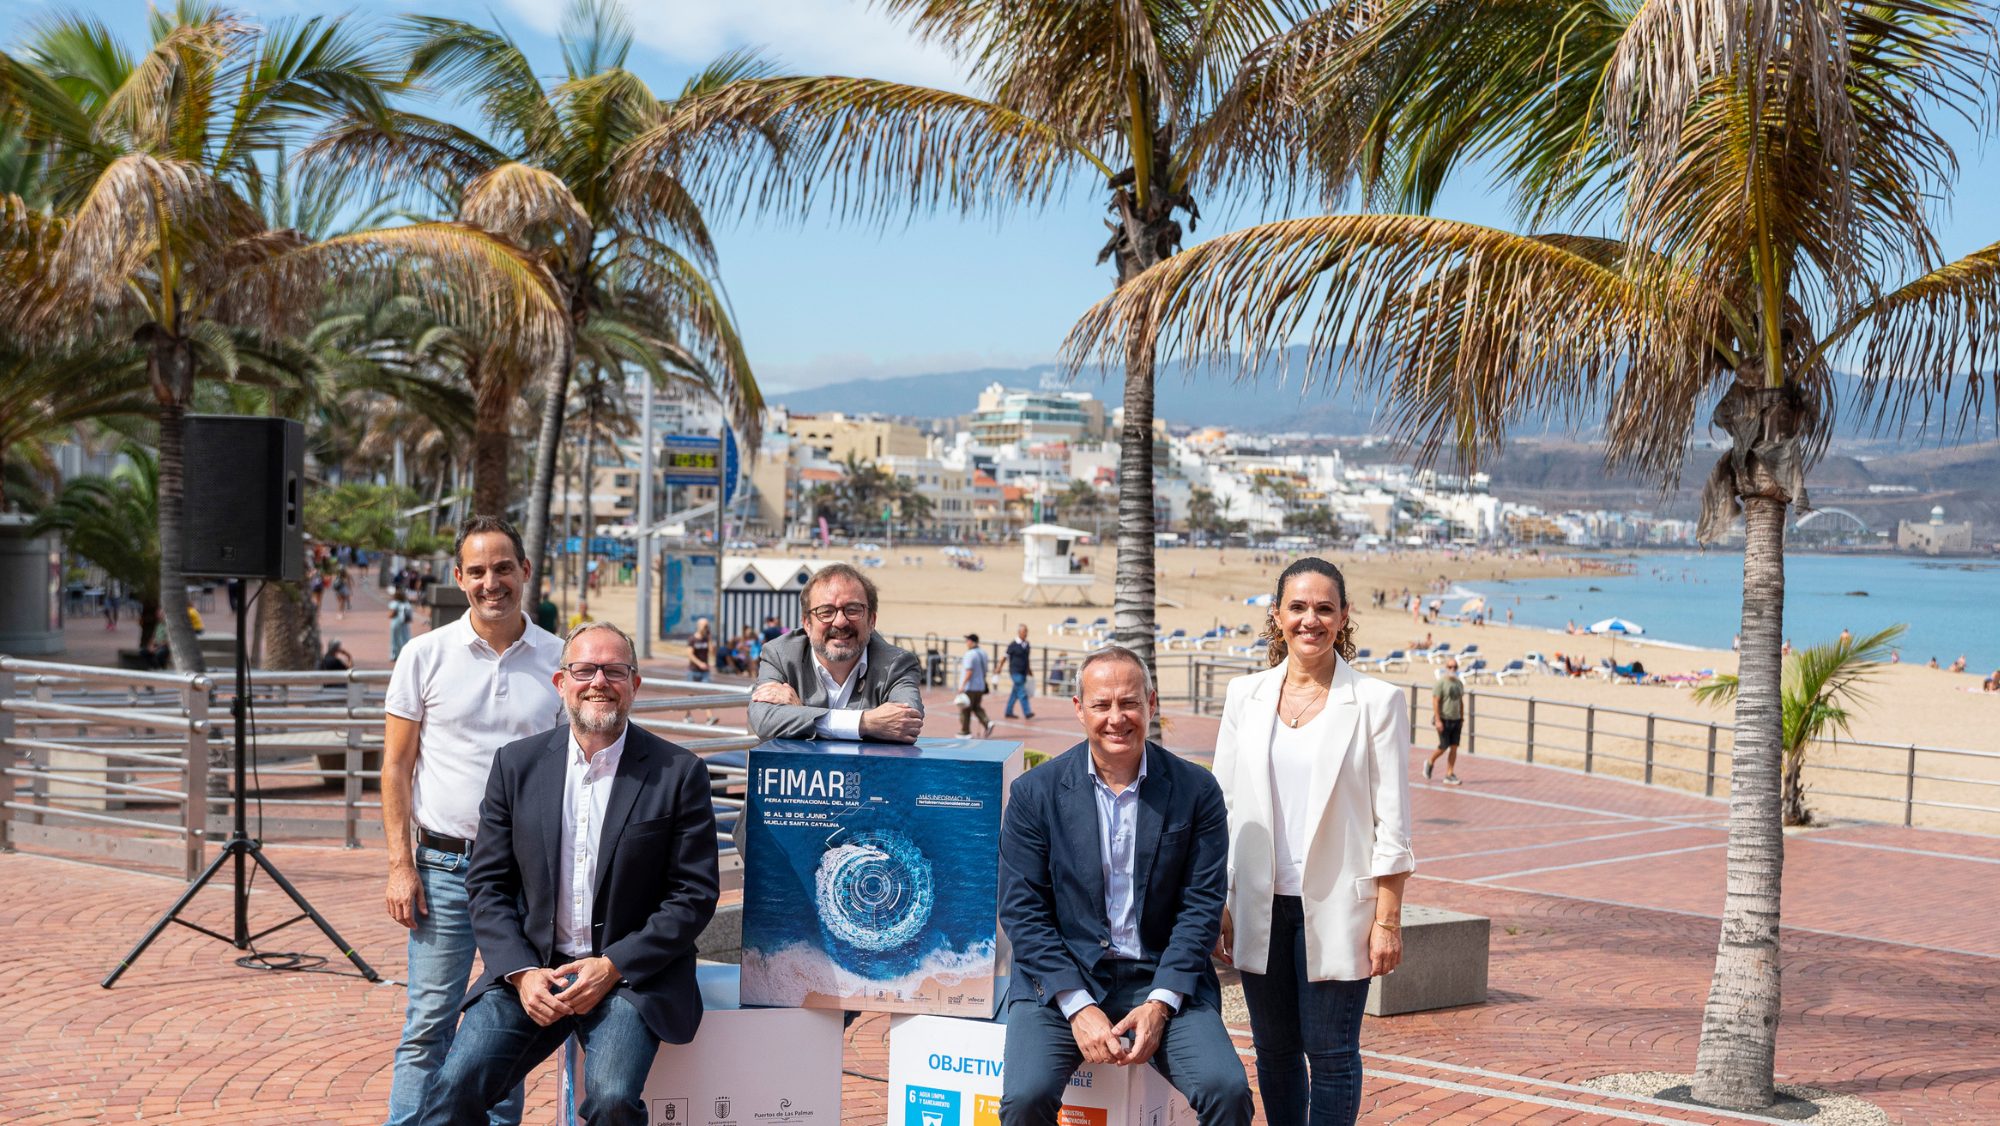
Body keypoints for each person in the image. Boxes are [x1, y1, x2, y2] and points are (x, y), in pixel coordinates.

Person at [418, 621, 719, 1126]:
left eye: (615, 670)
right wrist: (520, 971)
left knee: (611, 1099)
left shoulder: (678, 771)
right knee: (454, 1086)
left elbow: (693, 894)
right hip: (536, 970)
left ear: (635, 685)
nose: (599, 680)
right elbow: (488, 884)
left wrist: (614, 965)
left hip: (629, 979)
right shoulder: (516, 766)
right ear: (561, 682)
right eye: (584, 669)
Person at [996, 646, 1251, 1126]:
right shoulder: (1036, 793)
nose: (1117, 718)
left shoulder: (1197, 791)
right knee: (1025, 1099)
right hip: (1059, 982)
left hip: (1163, 977)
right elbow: (1022, 911)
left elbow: (1201, 908)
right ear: (1079, 709)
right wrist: (1077, 1006)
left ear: (1152, 703)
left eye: (1129, 702)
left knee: (1227, 1090)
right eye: (1101, 705)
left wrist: (1160, 1003)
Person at [1211, 558, 1415, 1126]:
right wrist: (1220, 900)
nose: (1311, 620)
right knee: (1273, 1054)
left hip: (1338, 910)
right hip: (1259, 903)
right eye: (1297, 607)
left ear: (1344, 616)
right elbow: (1223, 806)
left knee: (1330, 1057)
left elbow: (1391, 824)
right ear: (1275, 615)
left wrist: (1388, 920)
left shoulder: (1378, 702)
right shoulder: (1244, 695)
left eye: (1325, 608)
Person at [380, 517, 565, 1126]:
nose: (492, 582)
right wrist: (400, 867)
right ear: (459, 578)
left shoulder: (561, 662)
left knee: (506, 1025)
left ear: (525, 572)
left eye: (503, 568)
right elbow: (396, 767)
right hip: (443, 869)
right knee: (430, 1022)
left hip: (527, 874)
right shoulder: (423, 654)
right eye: (478, 571)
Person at [747, 563, 925, 742]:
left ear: (872, 621)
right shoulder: (780, 654)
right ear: (807, 624)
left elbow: (908, 722)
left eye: (853, 610)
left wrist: (801, 712)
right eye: (826, 612)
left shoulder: (897, 663)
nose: (840, 622)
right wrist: (865, 723)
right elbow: (762, 719)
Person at [1423, 657, 1465, 785]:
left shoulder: (1459, 684)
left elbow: (1461, 701)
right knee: (1443, 746)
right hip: (1444, 719)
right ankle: (1430, 762)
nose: (1453, 669)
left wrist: (1462, 717)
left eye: (1455, 667)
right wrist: (1438, 720)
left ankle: (1449, 773)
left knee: (1454, 747)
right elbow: (1436, 701)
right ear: (1446, 668)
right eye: (1450, 667)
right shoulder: (1440, 683)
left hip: (1456, 720)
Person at [959, 632, 992, 737]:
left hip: (970, 686)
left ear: (971, 642)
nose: (966, 643)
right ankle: (987, 722)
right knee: (976, 707)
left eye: (967, 640)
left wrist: (962, 686)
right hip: (980, 686)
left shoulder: (970, 654)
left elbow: (969, 671)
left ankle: (965, 731)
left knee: (965, 708)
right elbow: (986, 670)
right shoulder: (983, 653)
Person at [1004, 624, 1036, 720]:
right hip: (1015, 671)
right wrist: (998, 668)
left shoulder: (1027, 645)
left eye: (1026, 631)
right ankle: (1027, 712)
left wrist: (1029, 670)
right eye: (1024, 631)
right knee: (1022, 692)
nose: (1026, 634)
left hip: (1023, 672)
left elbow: (1026, 659)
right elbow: (1005, 657)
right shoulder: (1013, 645)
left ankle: (1008, 711)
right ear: (1019, 632)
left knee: (1015, 693)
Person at [389, 589, 414, 661]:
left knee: (395, 639)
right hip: (405, 623)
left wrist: (389, 616)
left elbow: (392, 614)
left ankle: (395, 655)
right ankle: (407, 653)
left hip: (396, 622)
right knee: (405, 637)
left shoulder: (394, 603)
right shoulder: (406, 602)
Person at [686, 618, 713, 683]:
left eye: (707, 625)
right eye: (704, 625)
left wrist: (709, 636)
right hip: (693, 670)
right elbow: (689, 654)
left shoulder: (707, 639)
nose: (705, 627)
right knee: (691, 691)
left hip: (705, 671)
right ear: (698, 625)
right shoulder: (692, 639)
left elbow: (712, 652)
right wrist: (700, 663)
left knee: (706, 691)